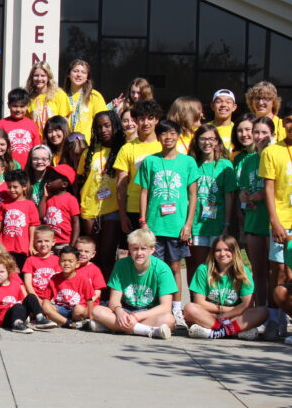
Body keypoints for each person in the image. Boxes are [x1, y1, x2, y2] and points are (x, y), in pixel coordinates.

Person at [136, 118, 200, 326]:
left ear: (179, 136)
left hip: (177, 226)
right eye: (164, 133)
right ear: (158, 136)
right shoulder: (150, 161)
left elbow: (193, 195)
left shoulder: (188, 162)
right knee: (154, 266)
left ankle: (176, 308)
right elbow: (144, 192)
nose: (168, 137)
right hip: (154, 225)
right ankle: (155, 306)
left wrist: (188, 224)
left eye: (173, 133)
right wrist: (143, 220)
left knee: (174, 267)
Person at [91, 228, 176, 339]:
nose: (139, 253)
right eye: (135, 249)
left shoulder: (162, 269)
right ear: (130, 249)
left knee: (169, 320)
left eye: (143, 249)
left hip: (148, 313)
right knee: (97, 311)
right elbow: (114, 300)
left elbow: (166, 307)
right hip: (125, 311)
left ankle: (114, 327)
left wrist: (136, 317)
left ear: (152, 250)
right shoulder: (121, 265)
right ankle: (146, 330)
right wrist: (119, 311)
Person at [259, 98, 292, 337]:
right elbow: (269, 188)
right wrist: (274, 221)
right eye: (289, 121)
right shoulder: (272, 151)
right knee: (279, 271)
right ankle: (276, 320)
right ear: (282, 124)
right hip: (281, 221)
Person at [185, 235, 266, 340]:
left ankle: (215, 333)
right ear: (213, 253)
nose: (222, 254)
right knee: (189, 308)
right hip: (210, 315)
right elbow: (199, 302)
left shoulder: (243, 271)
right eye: (218, 250)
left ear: (235, 252)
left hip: (235, 315)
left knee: (262, 312)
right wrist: (222, 312)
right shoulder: (203, 269)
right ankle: (234, 331)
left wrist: (226, 315)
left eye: (227, 250)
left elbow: (247, 304)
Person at [186, 124, 237, 279]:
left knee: (219, 266)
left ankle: (216, 294)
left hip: (218, 224)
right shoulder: (191, 163)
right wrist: (187, 225)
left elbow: (229, 196)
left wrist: (227, 224)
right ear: (196, 141)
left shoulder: (225, 165)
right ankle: (197, 295)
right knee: (198, 267)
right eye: (203, 139)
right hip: (197, 225)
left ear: (217, 142)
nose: (207, 142)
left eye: (211, 139)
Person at [76, 110, 124, 275]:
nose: (103, 130)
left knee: (107, 255)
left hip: (112, 207)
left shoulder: (122, 150)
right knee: (92, 256)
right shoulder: (89, 152)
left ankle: (107, 289)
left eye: (107, 125)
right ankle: (93, 287)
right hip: (90, 208)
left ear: (115, 126)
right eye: (99, 127)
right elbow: (80, 180)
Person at [0, 253, 55, 333]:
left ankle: (40, 318)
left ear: (9, 271)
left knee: (31, 297)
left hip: (18, 312)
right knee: (17, 306)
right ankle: (17, 325)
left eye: (1, 272)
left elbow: (21, 300)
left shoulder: (15, 284)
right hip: (5, 320)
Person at [236, 116, 272, 308]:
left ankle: (277, 313)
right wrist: (243, 193)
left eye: (264, 132)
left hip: (272, 221)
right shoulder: (248, 160)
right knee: (258, 270)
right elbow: (244, 185)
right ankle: (262, 309)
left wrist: (263, 194)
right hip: (253, 219)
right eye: (255, 132)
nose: (259, 136)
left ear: (272, 134)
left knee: (275, 270)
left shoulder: (275, 154)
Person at [115, 99, 164, 239]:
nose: (146, 123)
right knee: (135, 250)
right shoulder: (127, 148)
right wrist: (122, 215)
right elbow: (121, 185)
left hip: (160, 209)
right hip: (134, 208)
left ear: (157, 120)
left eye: (150, 118)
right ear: (136, 120)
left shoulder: (164, 146)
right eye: (141, 118)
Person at [0, 169, 40, 269]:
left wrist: (31, 245)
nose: (12, 190)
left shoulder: (30, 205)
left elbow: (33, 226)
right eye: (9, 187)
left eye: (15, 187)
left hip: (22, 248)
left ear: (24, 187)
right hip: (5, 248)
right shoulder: (4, 204)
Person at [43, 245, 97, 328]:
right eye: (63, 261)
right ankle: (68, 323)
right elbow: (46, 299)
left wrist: (91, 317)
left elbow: (89, 300)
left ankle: (66, 322)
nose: (66, 264)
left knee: (79, 309)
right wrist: (46, 308)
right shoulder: (54, 278)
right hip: (60, 309)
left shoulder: (83, 279)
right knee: (45, 306)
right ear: (59, 262)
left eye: (70, 261)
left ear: (77, 264)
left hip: (76, 311)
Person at [0, 88, 41, 169]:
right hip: (6, 168)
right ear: (8, 105)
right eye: (15, 106)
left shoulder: (32, 124)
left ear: (27, 106)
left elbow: (36, 148)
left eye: (22, 106)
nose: (18, 110)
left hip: (27, 168)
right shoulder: (1, 124)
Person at [63, 59, 107, 142]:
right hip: (65, 145)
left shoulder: (94, 96)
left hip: (87, 145)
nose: (79, 75)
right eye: (75, 71)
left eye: (83, 72)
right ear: (69, 74)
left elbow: (102, 122)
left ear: (87, 77)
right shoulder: (61, 96)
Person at [39, 164, 80, 247]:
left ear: (64, 184)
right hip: (49, 242)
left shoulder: (70, 199)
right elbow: (40, 216)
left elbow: (76, 222)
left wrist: (72, 245)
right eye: (48, 177)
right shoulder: (48, 198)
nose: (48, 181)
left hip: (64, 242)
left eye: (53, 178)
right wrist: (44, 196)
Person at [25, 61, 70, 132]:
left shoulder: (59, 94)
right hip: (36, 138)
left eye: (43, 76)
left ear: (48, 77)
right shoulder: (28, 97)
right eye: (36, 75)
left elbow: (64, 121)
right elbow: (26, 123)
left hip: (54, 137)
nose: (39, 79)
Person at [22, 226, 61, 305]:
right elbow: (28, 283)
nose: (43, 244)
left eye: (47, 241)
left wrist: (52, 300)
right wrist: (37, 299)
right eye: (39, 241)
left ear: (53, 242)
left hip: (52, 299)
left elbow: (59, 283)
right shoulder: (30, 260)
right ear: (34, 243)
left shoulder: (57, 260)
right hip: (35, 297)